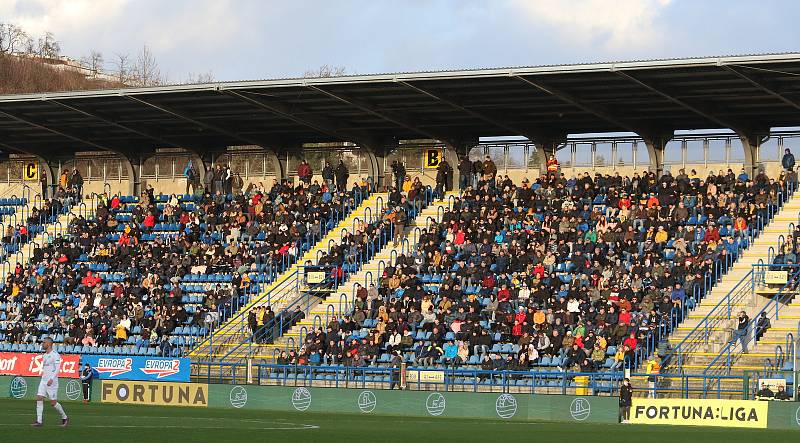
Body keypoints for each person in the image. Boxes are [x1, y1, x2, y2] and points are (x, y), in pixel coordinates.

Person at [32, 337, 68, 427]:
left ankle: (65, 417)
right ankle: (39, 421)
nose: (42, 344)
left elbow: (57, 368)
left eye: (44, 342)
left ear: (49, 344)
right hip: (44, 380)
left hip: (52, 382)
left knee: (53, 403)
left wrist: (51, 378)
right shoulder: (44, 355)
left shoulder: (55, 355)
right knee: (39, 397)